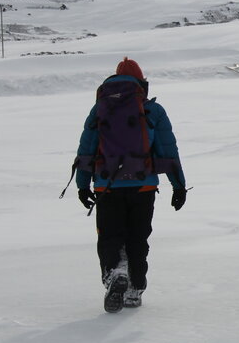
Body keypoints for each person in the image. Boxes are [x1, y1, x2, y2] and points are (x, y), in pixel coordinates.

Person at [72, 57, 188, 313]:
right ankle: (135, 288)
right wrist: (178, 186)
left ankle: (115, 271)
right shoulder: (152, 111)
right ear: (142, 83)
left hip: (107, 186)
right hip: (143, 187)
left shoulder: (99, 109)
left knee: (110, 235)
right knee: (138, 237)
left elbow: (86, 149)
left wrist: (82, 185)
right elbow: (168, 151)